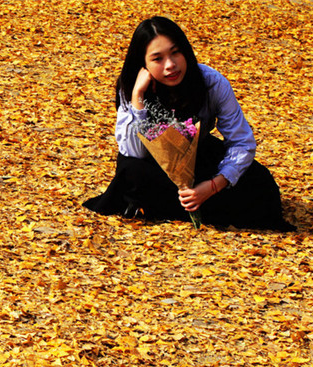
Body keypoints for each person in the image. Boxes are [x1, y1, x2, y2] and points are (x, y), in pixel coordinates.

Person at [84, 16, 293, 231]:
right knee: (132, 173)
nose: (170, 65)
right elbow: (132, 151)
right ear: (143, 64)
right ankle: (183, 206)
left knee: (259, 182)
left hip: (199, 158)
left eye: (175, 53)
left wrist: (212, 186)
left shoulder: (211, 82)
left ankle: (177, 206)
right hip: (154, 165)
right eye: (157, 59)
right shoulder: (132, 86)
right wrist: (138, 95)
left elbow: (242, 142)